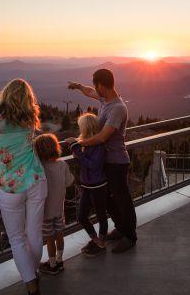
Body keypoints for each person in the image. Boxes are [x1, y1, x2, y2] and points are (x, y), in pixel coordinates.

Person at [0, 79, 46, 295]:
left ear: (5, 95)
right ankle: (33, 271)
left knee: (17, 239)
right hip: (36, 178)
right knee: (34, 234)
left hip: (9, 185)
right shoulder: (30, 118)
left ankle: (31, 284)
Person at [68, 69, 137, 253]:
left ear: (102, 85)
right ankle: (121, 228)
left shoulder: (118, 108)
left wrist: (78, 143)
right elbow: (90, 91)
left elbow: (102, 137)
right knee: (107, 199)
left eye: (95, 85)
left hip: (117, 162)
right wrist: (78, 86)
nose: (94, 89)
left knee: (122, 200)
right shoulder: (105, 99)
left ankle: (130, 236)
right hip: (106, 161)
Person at [66, 113, 108, 257]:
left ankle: (101, 242)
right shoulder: (85, 141)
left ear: (86, 127)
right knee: (82, 216)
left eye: (80, 126)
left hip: (98, 185)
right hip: (87, 185)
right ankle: (95, 240)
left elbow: (93, 165)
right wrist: (76, 146)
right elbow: (81, 157)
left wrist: (76, 148)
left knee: (102, 215)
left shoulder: (99, 144)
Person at [34, 134, 74, 275]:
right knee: (59, 234)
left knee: (49, 239)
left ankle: (52, 266)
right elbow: (69, 182)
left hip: (45, 212)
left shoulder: (40, 168)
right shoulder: (62, 164)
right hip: (59, 210)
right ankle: (59, 260)